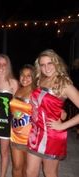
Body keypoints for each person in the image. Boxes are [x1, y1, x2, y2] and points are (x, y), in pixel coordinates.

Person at [26, 49, 79, 177]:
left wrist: (62, 126)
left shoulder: (64, 84)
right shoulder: (40, 81)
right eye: (43, 65)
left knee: (49, 173)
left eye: (50, 63)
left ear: (56, 63)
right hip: (35, 132)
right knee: (30, 172)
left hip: (51, 136)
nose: (46, 68)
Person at [0, 54, 18, 177]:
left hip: (6, 124)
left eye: (4, 64)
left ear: (8, 66)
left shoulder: (13, 83)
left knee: (5, 152)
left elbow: (17, 106)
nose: (1, 66)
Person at [9, 64, 35, 177]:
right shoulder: (18, 90)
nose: (25, 78)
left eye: (29, 76)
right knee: (16, 167)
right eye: (23, 75)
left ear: (34, 77)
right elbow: (15, 112)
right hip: (15, 135)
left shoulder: (36, 92)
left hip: (29, 138)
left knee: (26, 169)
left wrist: (61, 113)